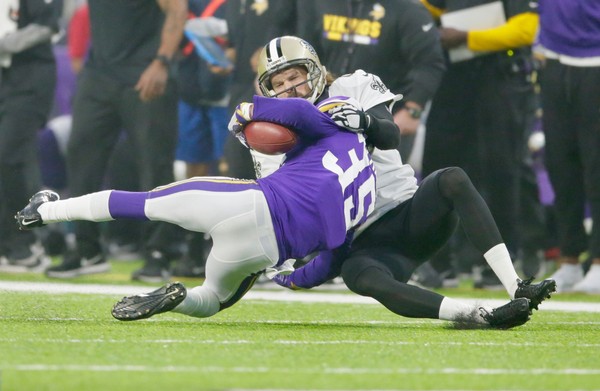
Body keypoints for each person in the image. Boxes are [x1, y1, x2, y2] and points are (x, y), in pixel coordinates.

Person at [254, 36, 555, 328]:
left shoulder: (351, 86)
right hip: (365, 244)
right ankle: (477, 315)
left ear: (314, 70)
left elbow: (390, 136)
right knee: (359, 276)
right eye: (278, 85)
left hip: (410, 214)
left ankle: (516, 285)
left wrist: (365, 122)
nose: (288, 90)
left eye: (293, 77)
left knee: (451, 178)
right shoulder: (273, 140)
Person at [16, 94, 378, 321]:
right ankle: (179, 299)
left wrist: (246, 116)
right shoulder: (367, 198)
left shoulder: (333, 130)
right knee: (213, 300)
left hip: (251, 203)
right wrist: (290, 278)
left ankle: (46, 211)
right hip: (266, 251)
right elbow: (330, 261)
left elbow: (285, 109)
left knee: (144, 203)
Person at [44, 0, 188, 279]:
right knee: (80, 155)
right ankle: (87, 249)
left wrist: (163, 62)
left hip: (145, 69)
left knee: (154, 163)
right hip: (99, 72)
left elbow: (177, 9)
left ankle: (159, 252)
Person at [419, 0, 541, 288]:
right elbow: (429, 8)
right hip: (454, 74)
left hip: (500, 74)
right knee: (438, 164)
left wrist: (468, 37)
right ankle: (438, 260)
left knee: (501, 167)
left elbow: (526, 29)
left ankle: (504, 263)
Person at [296, 0, 446, 161]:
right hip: (327, 115)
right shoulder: (321, 4)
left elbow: (429, 63)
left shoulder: (408, 9)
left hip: (385, 117)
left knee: (385, 183)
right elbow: (304, 54)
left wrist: (413, 110)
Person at [536, 1, 600, 293]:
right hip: (554, 61)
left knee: (597, 168)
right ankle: (570, 261)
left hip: (596, 61)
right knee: (561, 167)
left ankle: (599, 262)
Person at [0, 0, 63, 273]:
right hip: (6, 80)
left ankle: (27, 242)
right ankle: (9, 244)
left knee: (11, 156)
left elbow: (46, 25)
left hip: (27, 82)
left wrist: (6, 44)